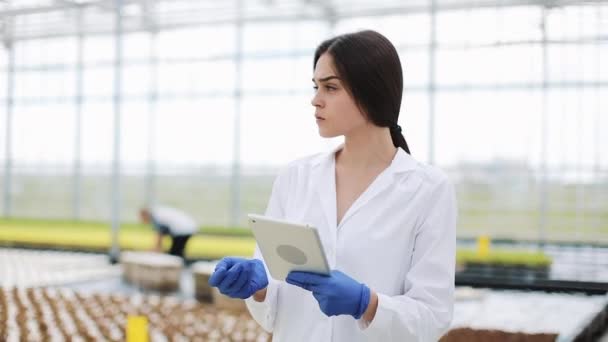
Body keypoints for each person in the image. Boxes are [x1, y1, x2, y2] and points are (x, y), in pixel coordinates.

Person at [208, 30, 457, 341]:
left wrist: (368, 304)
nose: (315, 100)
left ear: (371, 92)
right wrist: (258, 289)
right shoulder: (295, 178)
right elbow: (272, 310)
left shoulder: (428, 190)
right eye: (316, 87)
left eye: (330, 87)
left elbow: (432, 317)